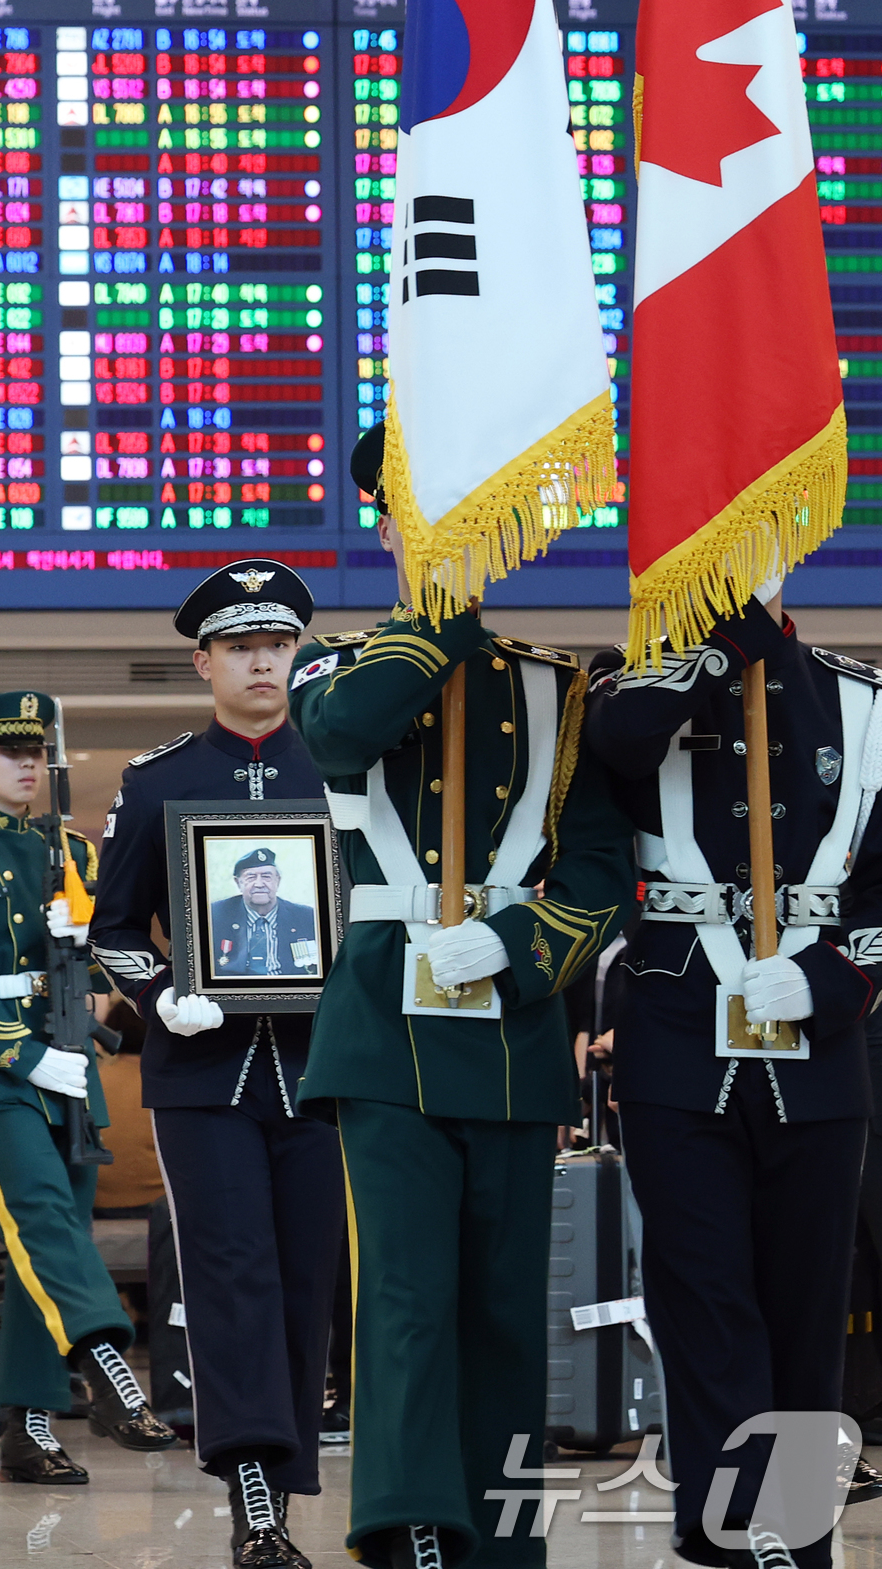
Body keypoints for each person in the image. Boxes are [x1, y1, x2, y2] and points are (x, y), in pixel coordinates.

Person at [288, 427, 635, 1569]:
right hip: (385, 1028)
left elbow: (591, 868)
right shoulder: (333, 666)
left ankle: (506, 1537)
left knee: (501, 1312)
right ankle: (409, 1527)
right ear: (388, 528)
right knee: (401, 1301)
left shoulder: (553, 686)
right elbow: (344, 737)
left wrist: (517, 945)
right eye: (419, 515)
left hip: (510, 1033)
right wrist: (433, 609)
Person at [585, 584, 882, 1569]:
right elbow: (620, 743)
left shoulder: (860, 700)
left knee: (806, 1307)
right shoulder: (638, 685)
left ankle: (791, 1534)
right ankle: (734, 1525)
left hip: (815, 1049)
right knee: (700, 1296)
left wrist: (830, 980)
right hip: (678, 1041)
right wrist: (715, 642)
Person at [90, 559, 343, 1569]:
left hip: (321, 1062)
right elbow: (111, 928)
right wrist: (159, 995)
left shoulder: (341, 767)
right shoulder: (159, 781)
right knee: (230, 1269)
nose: (261, 662)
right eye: (240, 646)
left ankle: (283, 1475)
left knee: (307, 1273)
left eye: (276, 644)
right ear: (202, 662)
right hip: (205, 1074)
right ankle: (249, 1482)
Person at [0, 691, 176, 1489]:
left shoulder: (73, 852)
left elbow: (96, 958)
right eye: (7, 751)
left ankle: (26, 1427)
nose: (25, 764)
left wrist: (118, 994)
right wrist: (27, 1060)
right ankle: (108, 1366)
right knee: (43, 1218)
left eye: (34, 752)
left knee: (43, 1248)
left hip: (72, 1064)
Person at [210, 847, 319, 977]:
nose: (259, 884)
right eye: (251, 877)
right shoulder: (215, 915)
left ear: (277, 881)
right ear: (238, 883)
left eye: (267, 877)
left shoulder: (306, 917)